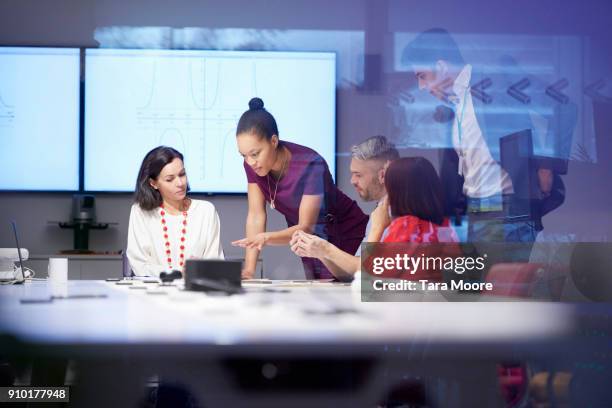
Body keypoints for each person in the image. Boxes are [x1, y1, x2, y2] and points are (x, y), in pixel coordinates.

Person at [401, 28, 568, 247]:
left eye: (422, 76)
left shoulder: (497, 81)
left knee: (504, 280)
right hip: (476, 214)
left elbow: (561, 106)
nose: (422, 87)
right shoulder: (453, 105)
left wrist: (547, 166)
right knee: (481, 280)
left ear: (441, 67)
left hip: (508, 210)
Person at [231, 97, 368, 279]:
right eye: (244, 155)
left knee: (348, 294)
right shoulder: (252, 165)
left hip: (343, 232)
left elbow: (306, 226)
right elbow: (256, 215)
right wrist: (249, 270)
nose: (250, 162)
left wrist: (265, 238)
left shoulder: (310, 164)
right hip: (307, 241)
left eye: (255, 154)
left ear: (273, 141)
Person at [290, 135, 399, 281]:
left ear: (382, 175)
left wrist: (325, 249)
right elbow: (354, 273)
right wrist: (319, 252)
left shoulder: (399, 214)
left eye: (358, 175)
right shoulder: (379, 211)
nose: (352, 181)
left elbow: (367, 270)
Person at [127, 146, 223, 277]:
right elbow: (139, 265)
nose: (180, 183)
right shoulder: (140, 212)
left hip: (197, 293)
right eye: (169, 179)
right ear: (153, 183)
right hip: (153, 293)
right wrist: (178, 273)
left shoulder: (206, 211)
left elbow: (215, 262)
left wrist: (199, 270)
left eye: (182, 174)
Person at [367, 156, 459, 281]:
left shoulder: (406, 226)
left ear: (396, 194)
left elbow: (369, 275)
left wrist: (377, 229)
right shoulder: (447, 226)